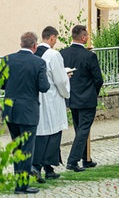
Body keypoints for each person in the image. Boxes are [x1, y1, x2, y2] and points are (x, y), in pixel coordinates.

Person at [1, 32, 50, 194]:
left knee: (17, 148)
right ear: (35, 46)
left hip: (11, 110)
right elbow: (44, 87)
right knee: (27, 148)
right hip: (28, 110)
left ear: (21, 44)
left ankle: (18, 183)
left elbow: (2, 84)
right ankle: (22, 186)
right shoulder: (39, 63)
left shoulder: (7, 59)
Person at [60, 25, 103, 172]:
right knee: (83, 129)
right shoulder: (89, 56)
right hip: (86, 97)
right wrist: (93, 92)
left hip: (71, 96)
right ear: (83, 37)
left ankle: (86, 158)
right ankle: (72, 161)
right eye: (87, 36)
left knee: (80, 129)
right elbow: (98, 79)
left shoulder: (63, 53)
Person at [32, 26, 70, 183]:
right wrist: (66, 89)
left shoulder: (33, 53)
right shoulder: (54, 55)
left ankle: (47, 168)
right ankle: (41, 166)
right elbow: (60, 79)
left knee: (40, 133)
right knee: (52, 133)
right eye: (56, 38)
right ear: (52, 37)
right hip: (52, 98)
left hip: (36, 98)